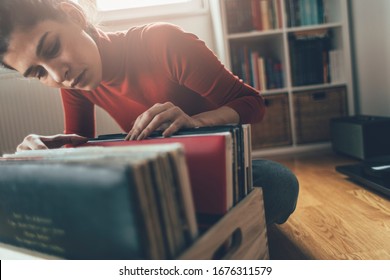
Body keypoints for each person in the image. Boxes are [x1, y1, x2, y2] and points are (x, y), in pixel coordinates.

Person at [0, 0, 298, 225]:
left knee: (279, 184)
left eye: (52, 47)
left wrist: (196, 122)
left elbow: (253, 104)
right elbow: (81, 158)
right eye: (38, 73)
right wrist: (41, 159)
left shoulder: (161, 42)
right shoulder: (74, 84)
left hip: (216, 170)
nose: (58, 73)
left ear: (73, 15)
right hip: (155, 181)